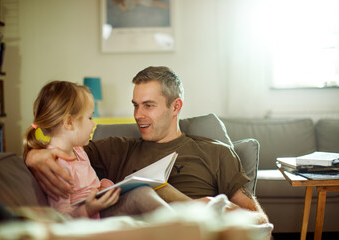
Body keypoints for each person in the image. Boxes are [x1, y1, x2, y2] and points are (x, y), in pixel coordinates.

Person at [25, 67, 269, 224]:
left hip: (205, 231)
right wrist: (33, 156)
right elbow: (60, 143)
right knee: (151, 190)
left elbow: (257, 219)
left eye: (148, 105)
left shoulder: (215, 152)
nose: (138, 115)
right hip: (145, 229)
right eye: (135, 105)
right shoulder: (117, 148)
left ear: (176, 107)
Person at [23, 81, 171, 219]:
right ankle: (186, 227)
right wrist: (88, 209)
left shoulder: (78, 151)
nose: (94, 124)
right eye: (90, 117)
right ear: (68, 122)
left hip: (102, 206)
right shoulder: (57, 166)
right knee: (141, 195)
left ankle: (183, 224)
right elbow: (62, 215)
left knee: (145, 191)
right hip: (93, 217)